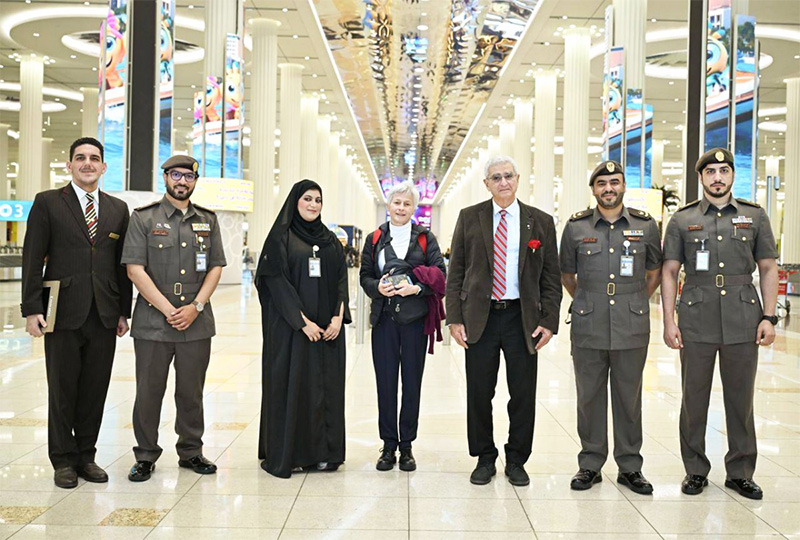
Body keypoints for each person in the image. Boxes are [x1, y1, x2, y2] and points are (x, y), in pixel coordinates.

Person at [661, 148, 779, 500]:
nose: (717, 177)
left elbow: (769, 267)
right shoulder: (682, 220)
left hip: (744, 316)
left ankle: (741, 471)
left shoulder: (754, 216)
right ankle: (695, 470)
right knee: (693, 397)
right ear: (701, 178)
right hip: (696, 316)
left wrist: (769, 316)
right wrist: (669, 320)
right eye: (710, 171)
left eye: (724, 170)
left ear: (732, 176)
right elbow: (669, 272)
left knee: (740, 399)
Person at [21, 137, 132, 489]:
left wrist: (123, 312)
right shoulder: (48, 203)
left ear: (103, 167)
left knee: (95, 389)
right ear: (68, 165)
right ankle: (63, 460)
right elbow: (32, 257)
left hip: (103, 313)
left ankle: (86, 455)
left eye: (94, 158)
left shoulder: (117, 209)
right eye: (80, 158)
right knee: (62, 388)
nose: (87, 163)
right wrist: (31, 309)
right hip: (61, 312)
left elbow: (121, 266)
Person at [446, 155, 562, 486]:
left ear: (518, 178)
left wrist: (549, 321)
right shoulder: (470, 218)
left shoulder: (539, 221)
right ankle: (484, 457)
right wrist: (454, 317)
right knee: (479, 392)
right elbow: (455, 272)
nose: (503, 182)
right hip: (479, 318)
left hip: (521, 319)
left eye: (508, 175)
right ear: (486, 184)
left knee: (523, 393)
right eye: (495, 177)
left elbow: (551, 278)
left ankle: (516, 459)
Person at [121, 155, 226, 482]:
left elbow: (216, 266)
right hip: (153, 321)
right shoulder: (143, 218)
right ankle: (145, 454)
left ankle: (191, 451)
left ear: (195, 181)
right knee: (149, 391)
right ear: (165, 177)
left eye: (188, 177)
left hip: (196, 321)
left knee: (191, 391)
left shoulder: (208, 220)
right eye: (176, 175)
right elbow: (134, 269)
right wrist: (169, 310)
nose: (182, 181)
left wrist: (195, 306)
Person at [560, 160, 662, 495]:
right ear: (593, 189)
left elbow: (653, 273)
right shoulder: (576, 227)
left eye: (614, 182)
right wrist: (590, 300)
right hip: (589, 323)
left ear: (623, 186)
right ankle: (590, 463)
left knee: (629, 397)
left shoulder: (646, 226)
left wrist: (633, 300)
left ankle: (630, 466)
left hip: (631, 325)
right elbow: (567, 275)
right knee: (588, 397)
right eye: (601, 183)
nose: (608, 188)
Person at [256, 179, 351, 478]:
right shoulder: (280, 238)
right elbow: (275, 282)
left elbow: (340, 280)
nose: (313, 204)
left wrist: (338, 317)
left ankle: (325, 453)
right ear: (295, 201)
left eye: (318, 200)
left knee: (326, 389)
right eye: (307, 198)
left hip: (328, 331)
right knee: (293, 386)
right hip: (291, 331)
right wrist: (302, 322)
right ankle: (292, 454)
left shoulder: (330, 240)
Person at [359, 181, 446, 472]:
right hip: (384, 320)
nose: (401, 208)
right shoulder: (374, 239)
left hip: (414, 322)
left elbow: (439, 273)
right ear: (389, 205)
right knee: (385, 383)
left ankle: (407, 445)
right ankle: (388, 445)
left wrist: (417, 289)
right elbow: (365, 276)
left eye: (407, 204)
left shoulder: (425, 238)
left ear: (414, 208)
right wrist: (378, 288)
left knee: (411, 382)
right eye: (397, 202)